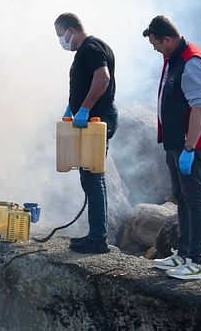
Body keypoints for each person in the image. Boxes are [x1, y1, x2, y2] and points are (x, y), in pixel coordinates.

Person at [143, 15, 201, 280]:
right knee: (181, 196)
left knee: (195, 198)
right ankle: (183, 253)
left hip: (192, 145)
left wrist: (190, 148)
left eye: (156, 44)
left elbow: (199, 108)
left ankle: (196, 261)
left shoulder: (192, 61)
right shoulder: (173, 58)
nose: (155, 49)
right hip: (175, 142)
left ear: (167, 39)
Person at [54, 13, 117, 254]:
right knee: (88, 174)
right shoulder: (90, 49)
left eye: (60, 35)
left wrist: (84, 109)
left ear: (71, 30)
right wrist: (73, 107)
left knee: (93, 175)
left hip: (96, 119)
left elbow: (103, 78)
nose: (60, 41)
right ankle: (95, 234)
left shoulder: (90, 48)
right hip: (89, 119)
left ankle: (98, 238)